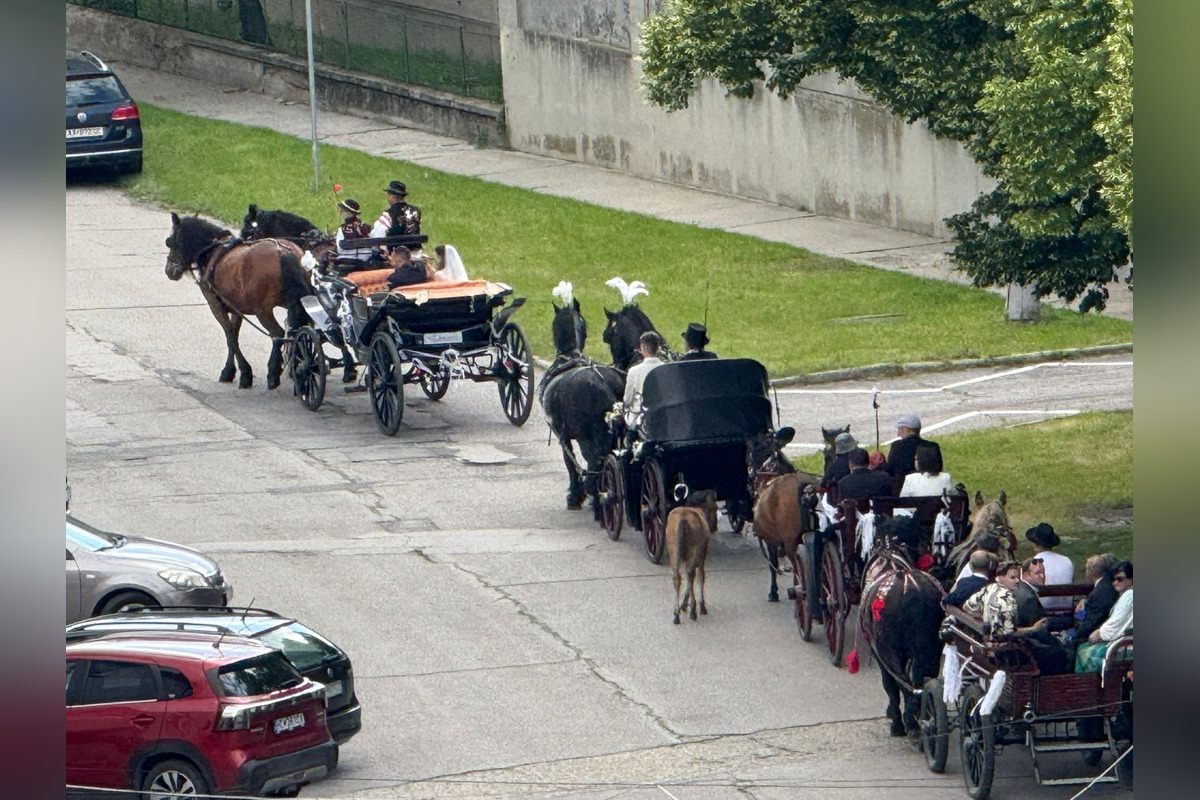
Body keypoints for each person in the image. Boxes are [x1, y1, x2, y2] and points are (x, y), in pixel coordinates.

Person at [1074, 561, 1132, 672]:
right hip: (1112, 636)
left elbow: (1087, 620)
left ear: (1091, 574)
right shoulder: (1106, 591)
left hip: (1113, 640)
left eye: (1119, 579)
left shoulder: (1100, 593)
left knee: (1080, 649)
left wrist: (1077, 616)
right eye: (1113, 579)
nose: (1115, 582)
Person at [893, 444, 953, 517]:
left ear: (921, 461)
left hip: (916, 518)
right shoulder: (946, 477)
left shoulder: (911, 479)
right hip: (937, 517)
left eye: (916, 459)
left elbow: (903, 502)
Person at [886, 415, 940, 494]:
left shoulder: (897, 446)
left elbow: (890, 469)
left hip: (902, 489)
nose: (898, 434)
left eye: (900, 430)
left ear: (907, 430)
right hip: (929, 488)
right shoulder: (932, 446)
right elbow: (938, 468)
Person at [1025, 522, 1073, 610]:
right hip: (1067, 609)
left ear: (1035, 544)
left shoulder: (1033, 564)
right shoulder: (1067, 561)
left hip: (1043, 611)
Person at [1072, 553, 1119, 643]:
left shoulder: (1098, 594)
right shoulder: (1109, 585)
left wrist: (1078, 614)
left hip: (1092, 634)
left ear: (1091, 573)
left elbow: (1084, 624)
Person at [623, 332, 665, 408]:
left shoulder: (633, 371)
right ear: (658, 347)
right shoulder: (666, 368)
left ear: (644, 348)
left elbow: (627, 400)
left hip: (642, 415)